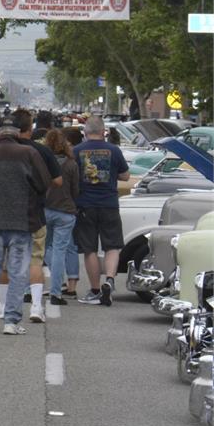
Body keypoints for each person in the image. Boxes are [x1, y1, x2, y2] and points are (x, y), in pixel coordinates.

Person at [0, 117, 52, 334]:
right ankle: (11, 321)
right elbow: (43, 184)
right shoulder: (29, 154)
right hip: (22, 221)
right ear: (18, 133)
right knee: (18, 272)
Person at [73, 115, 129, 306]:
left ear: (85, 132)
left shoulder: (77, 150)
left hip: (85, 205)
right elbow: (125, 175)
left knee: (89, 249)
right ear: (104, 131)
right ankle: (110, 279)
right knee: (112, 246)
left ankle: (95, 289)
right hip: (110, 204)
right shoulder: (114, 150)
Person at [13, 108, 63, 322]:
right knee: (35, 260)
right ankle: (35, 306)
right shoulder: (41, 151)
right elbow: (58, 180)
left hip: (5, 213)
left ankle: (2, 306)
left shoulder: (1, 149)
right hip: (35, 212)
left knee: (7, 262)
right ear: (30, 126)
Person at [43, 129, 80, 305]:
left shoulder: (41, 161)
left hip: (44, 208)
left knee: (41, 249)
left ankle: (29, 289)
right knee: (59, 250)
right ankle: (56, 293)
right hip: (65, 210)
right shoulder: (71, 164)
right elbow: (75, 190)